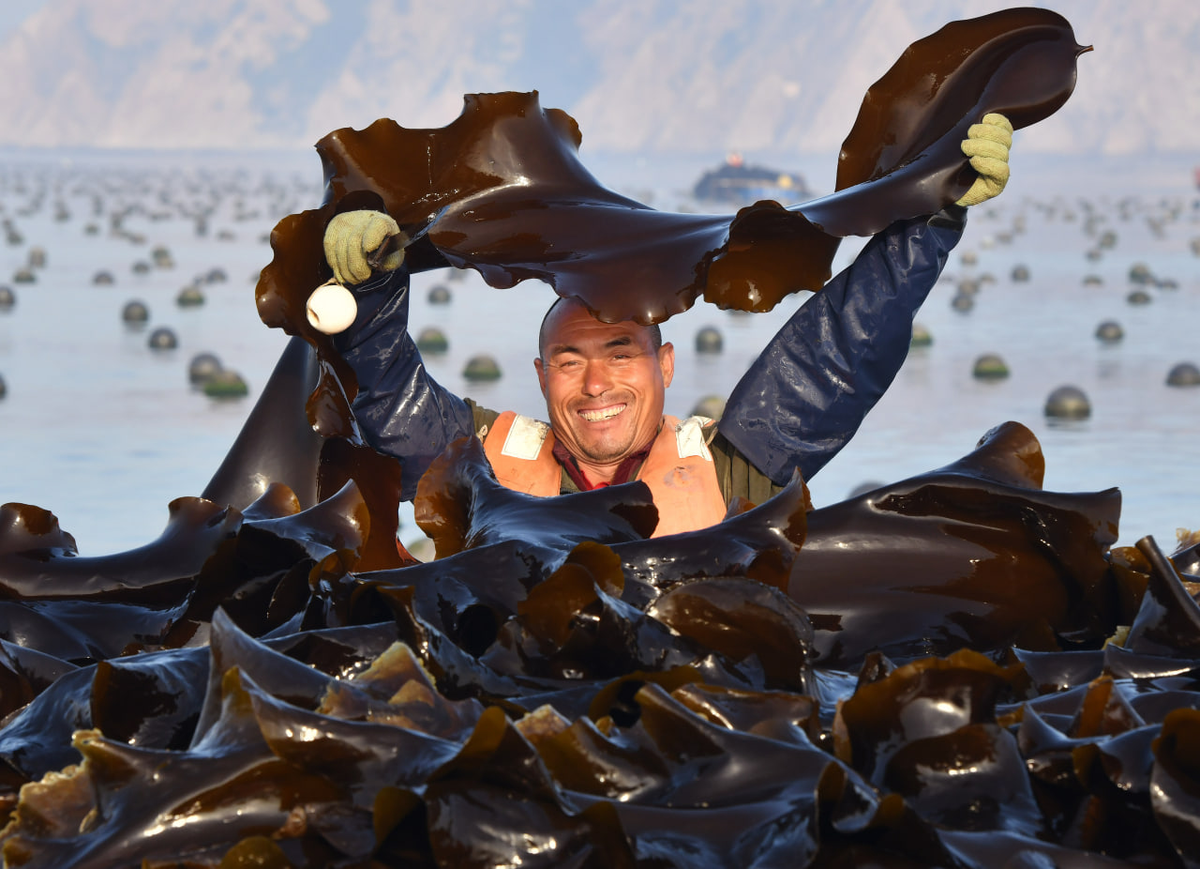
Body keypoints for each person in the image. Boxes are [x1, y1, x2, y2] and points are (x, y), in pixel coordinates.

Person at [311, 114, 1014, 537]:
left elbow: (839, 352)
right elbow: (392, 401)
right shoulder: (479, 464)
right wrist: (371, 287)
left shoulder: (739, 467)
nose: (596, 384)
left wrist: (932, 216)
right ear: (540, 376)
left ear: (665, 366)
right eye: (569, 360)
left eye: (621, 352)